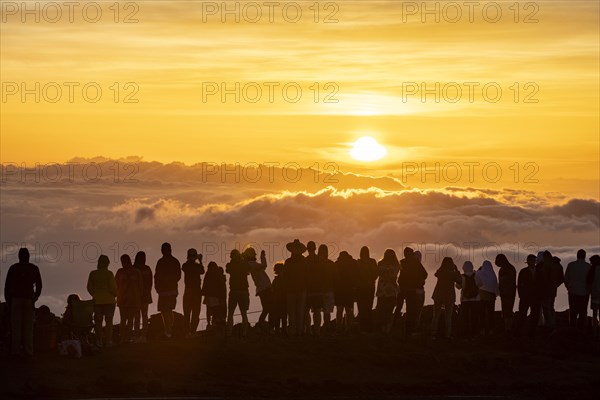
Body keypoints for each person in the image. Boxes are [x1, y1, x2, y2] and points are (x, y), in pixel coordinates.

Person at [4, 248, 42, 356]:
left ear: (19, 256)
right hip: (29, 300)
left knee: (16, 328)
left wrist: (8, 301)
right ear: (28, 256)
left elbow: (7, 286)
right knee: (28, 328)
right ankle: (28, 351)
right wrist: (35, 298)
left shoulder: (13, 268)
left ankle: (15, 352)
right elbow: (39, 285)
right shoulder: (34, 268)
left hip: (15, 300)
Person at [396, 247, 428, 336]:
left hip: (402, 289)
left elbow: (400, 277)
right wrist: (418, 280)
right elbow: (425, 274)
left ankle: (394, 328)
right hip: (411, 290)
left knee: (398, 308)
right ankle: (409, 331)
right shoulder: (415, 263)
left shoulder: (402, 262)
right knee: (410, 311)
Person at [87, 254, 117, 347]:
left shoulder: (93, 273)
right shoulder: (109, 274)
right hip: (109, 300)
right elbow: (113, 287)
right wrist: (114, 294)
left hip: (97, 300)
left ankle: (99, 341)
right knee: (109, 321)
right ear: (107, 263)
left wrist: (95, 294)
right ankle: (108, 341)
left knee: (98, 322)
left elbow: (89, 287)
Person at [154, 242, 181, 339]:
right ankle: (169, 330)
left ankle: (168, 331)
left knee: (165, 311)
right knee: (168, 310)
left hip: (164, 290)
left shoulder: (160, 262)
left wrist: (157, 287)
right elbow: (178, 276)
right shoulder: (175, 261)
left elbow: (156, 276)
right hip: (171, 290)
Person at [115, 254, 143, 344]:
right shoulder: (120, 272)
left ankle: (126, 337)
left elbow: (140, 286)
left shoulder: (135, 272)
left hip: (131, 299)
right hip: (124, 299)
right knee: (124, 319)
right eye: (122, 262)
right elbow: (115, 285)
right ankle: (124, 337)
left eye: (124, 262)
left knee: (129, 319)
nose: (123, 264)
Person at [431, 257, 461, 339]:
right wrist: (456, 269)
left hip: (438, 295)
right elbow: (460, 280)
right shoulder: (452, 273)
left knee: (436, 315)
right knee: (448, 317)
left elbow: (436, 273)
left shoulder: (440, 272)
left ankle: (433, 333)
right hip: (449, 296)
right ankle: (447, 335)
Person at [245, 247, 273, 332]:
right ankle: (261, 325)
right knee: (268, 308)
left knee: (267, 308)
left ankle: (262, 325)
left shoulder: (252, 264)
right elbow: (264, 265)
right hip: (264, 288)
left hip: (263, 288)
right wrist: (263, 256)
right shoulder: (251, 264)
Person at [284, 239, 308, 337]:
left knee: (291, 312)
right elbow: (308, 275)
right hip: (301, 289)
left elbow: (284, 276)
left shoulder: (288, 262)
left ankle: (293, 331)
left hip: (290, 290)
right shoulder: (304, 261)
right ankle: (299, 331)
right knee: (300, 312)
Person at [515, 254, 543, 338]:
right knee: (523, 315)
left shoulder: (539, 271)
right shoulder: (523, 271)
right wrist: (521, 296)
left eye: (533, 261)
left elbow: (542, 284)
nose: (531, 262)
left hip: (535, 297)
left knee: (535, 316)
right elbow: (519, 285)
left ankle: (532, 333)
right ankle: (521, 332)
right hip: (526, 297)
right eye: (530, 261)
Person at [564, 249, 592, 330]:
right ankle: (581, 329)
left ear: (577, 255)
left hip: (572, 292)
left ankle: (572, 328)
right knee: (583, 312)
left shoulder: (571, 265)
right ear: (585, 256)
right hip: (584, 293)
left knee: (573, 311)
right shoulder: (588, 266)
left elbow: (566, 279)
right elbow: (590, 280)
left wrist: (569, 288)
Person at [226, 249, 251, 337]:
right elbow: (248, 270)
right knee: (243, 313)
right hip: (243, 291)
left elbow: (228, 270)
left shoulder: (230, 265)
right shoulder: (243, 264)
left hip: (234, 291)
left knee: (230, 313)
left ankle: (229, 333)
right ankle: (244, 333)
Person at [376, 249, 400, 334]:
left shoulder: (380, 264)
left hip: (382, 292)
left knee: (382, 311)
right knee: (388, 312)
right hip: (391, 292)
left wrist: (385, 274)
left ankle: (383, 329)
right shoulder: (396, 265)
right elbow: (393, 275)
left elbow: (380, 273)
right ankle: (387, 329)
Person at [538, 250, 564, 333]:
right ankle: (552, 324)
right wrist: (555, 285)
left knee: (546, 308)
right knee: (551, 307)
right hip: (553, 290)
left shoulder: (546, 265)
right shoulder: (558, 265)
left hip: (545, 290)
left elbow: (543, 279)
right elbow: (561, 279)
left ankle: (550, 326)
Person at [182, 248, 205, 335]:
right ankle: (192, 332)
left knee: (188, 314)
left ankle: (188, 333)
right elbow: (202, 271)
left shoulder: (185, 265)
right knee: (194, 314)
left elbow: (201, 271)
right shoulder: (195, 266)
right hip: (195, 292)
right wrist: (200, 261)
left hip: (189, 291)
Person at [334, 251, 358, 332]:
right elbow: (355, 276)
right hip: (349, 290)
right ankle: (348, 328)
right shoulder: (353, 263)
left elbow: (335, 278)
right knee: (348, 310)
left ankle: (339, 328)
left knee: (340, 310)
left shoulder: (337, 264)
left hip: (340, 290)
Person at [356, 246, 378, 333]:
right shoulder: (371, 262)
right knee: (365, 308)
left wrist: (369, 280)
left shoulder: (360, 262)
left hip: (365, 288)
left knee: (364, 308)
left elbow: (375, 274)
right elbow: (375, 274)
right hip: (365, 288)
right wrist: (370, 280)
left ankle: (365, 328)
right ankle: (366, 328)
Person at [457, 261, 480, 339]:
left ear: (464, 268)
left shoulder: (461, 276)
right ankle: (475, 333)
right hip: (476, 299)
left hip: (465, 299)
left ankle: (465, 333)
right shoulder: (476, 275)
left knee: (465, 317)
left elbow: (458, 287)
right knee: (475, 317)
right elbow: (480, 284)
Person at [304, 241, 323, 335]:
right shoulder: (319, 260)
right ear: (315, 248)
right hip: (318, 289)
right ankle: (317, 330)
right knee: (317, 311)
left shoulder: (305, 261)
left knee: (306, 311)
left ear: (307, 249)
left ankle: (308, 330)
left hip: (308, 289)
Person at [475, 260, 498, 336]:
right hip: (491, 298)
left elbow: (475, 278)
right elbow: (496, 287)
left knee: (482, 314)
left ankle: (482, 330)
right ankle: (492, 330)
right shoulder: (493, 275)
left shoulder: (480, 273)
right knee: (491, 314)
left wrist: (478, 270)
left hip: (482, 297)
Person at [495, 254, 517, 333]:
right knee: (507, 310)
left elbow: (504, 282)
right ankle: (508, 327)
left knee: (507, 311)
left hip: (507, 293)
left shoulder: (505, 269)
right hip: (508, 293)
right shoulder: (511, 268)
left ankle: (508, 328)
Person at [133, 251, 153, 338]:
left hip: (136, 295)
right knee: (144, 315)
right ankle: (144, 335)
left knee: (137, 316)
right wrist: (148, 291)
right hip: (145, 295)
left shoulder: (134, 268)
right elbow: (150, 282)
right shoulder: (147, 268)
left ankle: (137, 334)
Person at [202, 261, 226, 330]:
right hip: (215, 295)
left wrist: (203, 292)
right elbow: (220, 285)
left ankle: (209, 323)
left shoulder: (208, 273)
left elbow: (205, 283)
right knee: (215, 310)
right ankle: (214, 323)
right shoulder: (217, 274)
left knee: (208, 310)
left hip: (208, 295)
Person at [318, 244, 336, 334]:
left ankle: (325, 328)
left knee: (321, 312)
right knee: (326, 312)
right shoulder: (331, 264)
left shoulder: (317, 264)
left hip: (321, 291)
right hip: (328, 290)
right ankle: (327, 328)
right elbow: (335, 278)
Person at [271, 262, 288, 334]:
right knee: (280, 317)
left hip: (280, 300)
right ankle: (280, 330)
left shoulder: (276, 280)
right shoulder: (283, 280)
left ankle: (281, 330)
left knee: (282, 317)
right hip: (280, 300)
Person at [589, 255, 600, 339]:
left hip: (595, 294)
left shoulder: (592, 270)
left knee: (595, 313)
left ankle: (594, 332)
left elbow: (589, 281)